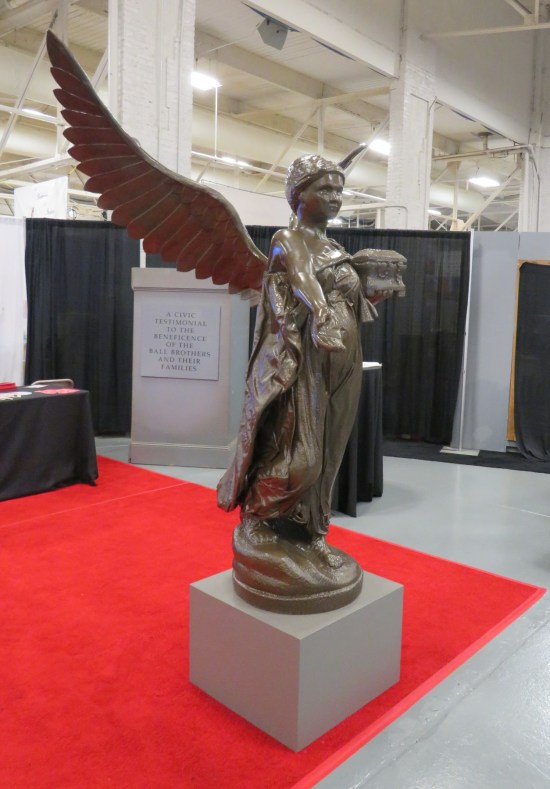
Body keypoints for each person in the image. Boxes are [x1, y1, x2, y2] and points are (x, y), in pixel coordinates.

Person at [217, 153, 378, 574]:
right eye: (324, 189)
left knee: (330, 457)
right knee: (303, 459)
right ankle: (257, 521)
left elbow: (352, 300)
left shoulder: (337, 248)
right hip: (305, 364)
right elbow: (304, 278)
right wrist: (323, 314)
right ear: (298, 196)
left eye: (339, 190)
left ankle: (313, 535)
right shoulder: (286, 241)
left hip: (344, 363)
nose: (335, 198)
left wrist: (370, 292)